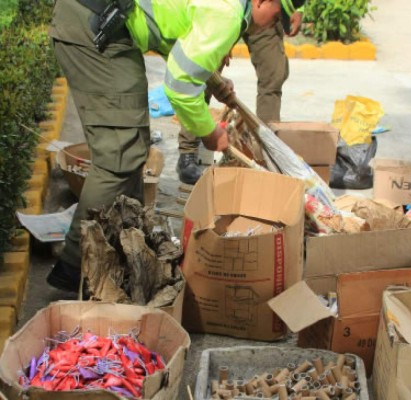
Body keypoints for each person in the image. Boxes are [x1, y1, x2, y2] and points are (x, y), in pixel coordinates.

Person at [46, 0, 282, 292]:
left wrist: (216, 83)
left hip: (104, 20)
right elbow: (179, 87)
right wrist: (209, 133)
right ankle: (76, 265)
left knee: (131, 148)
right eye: (279, 13)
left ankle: (123, 249)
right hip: (94, 23)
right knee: (118, 156)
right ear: (264, 1)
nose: (275, 23)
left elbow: (179, 44)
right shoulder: (229, 13)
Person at [176, 0, 306, 185]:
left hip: (270, 6)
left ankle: (266, 156)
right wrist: (224, 32)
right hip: (226, 6)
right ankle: (188, 152)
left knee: (273, 74)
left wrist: (296, 7)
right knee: (203, 71)